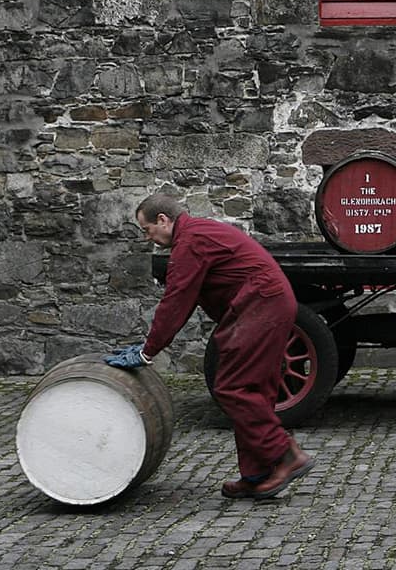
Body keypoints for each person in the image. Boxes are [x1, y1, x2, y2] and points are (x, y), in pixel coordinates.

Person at [104, 193, 314, 499]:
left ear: (163, 220)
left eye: (147, 230)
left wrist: (147, 350)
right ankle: (257, 473)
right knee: (253, 390)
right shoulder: (197, 233)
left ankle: (286, 454)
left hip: (261, 305)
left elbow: (176, 301)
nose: (148, 237)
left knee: (233, 387)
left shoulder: (189, 243)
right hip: (266, 303)